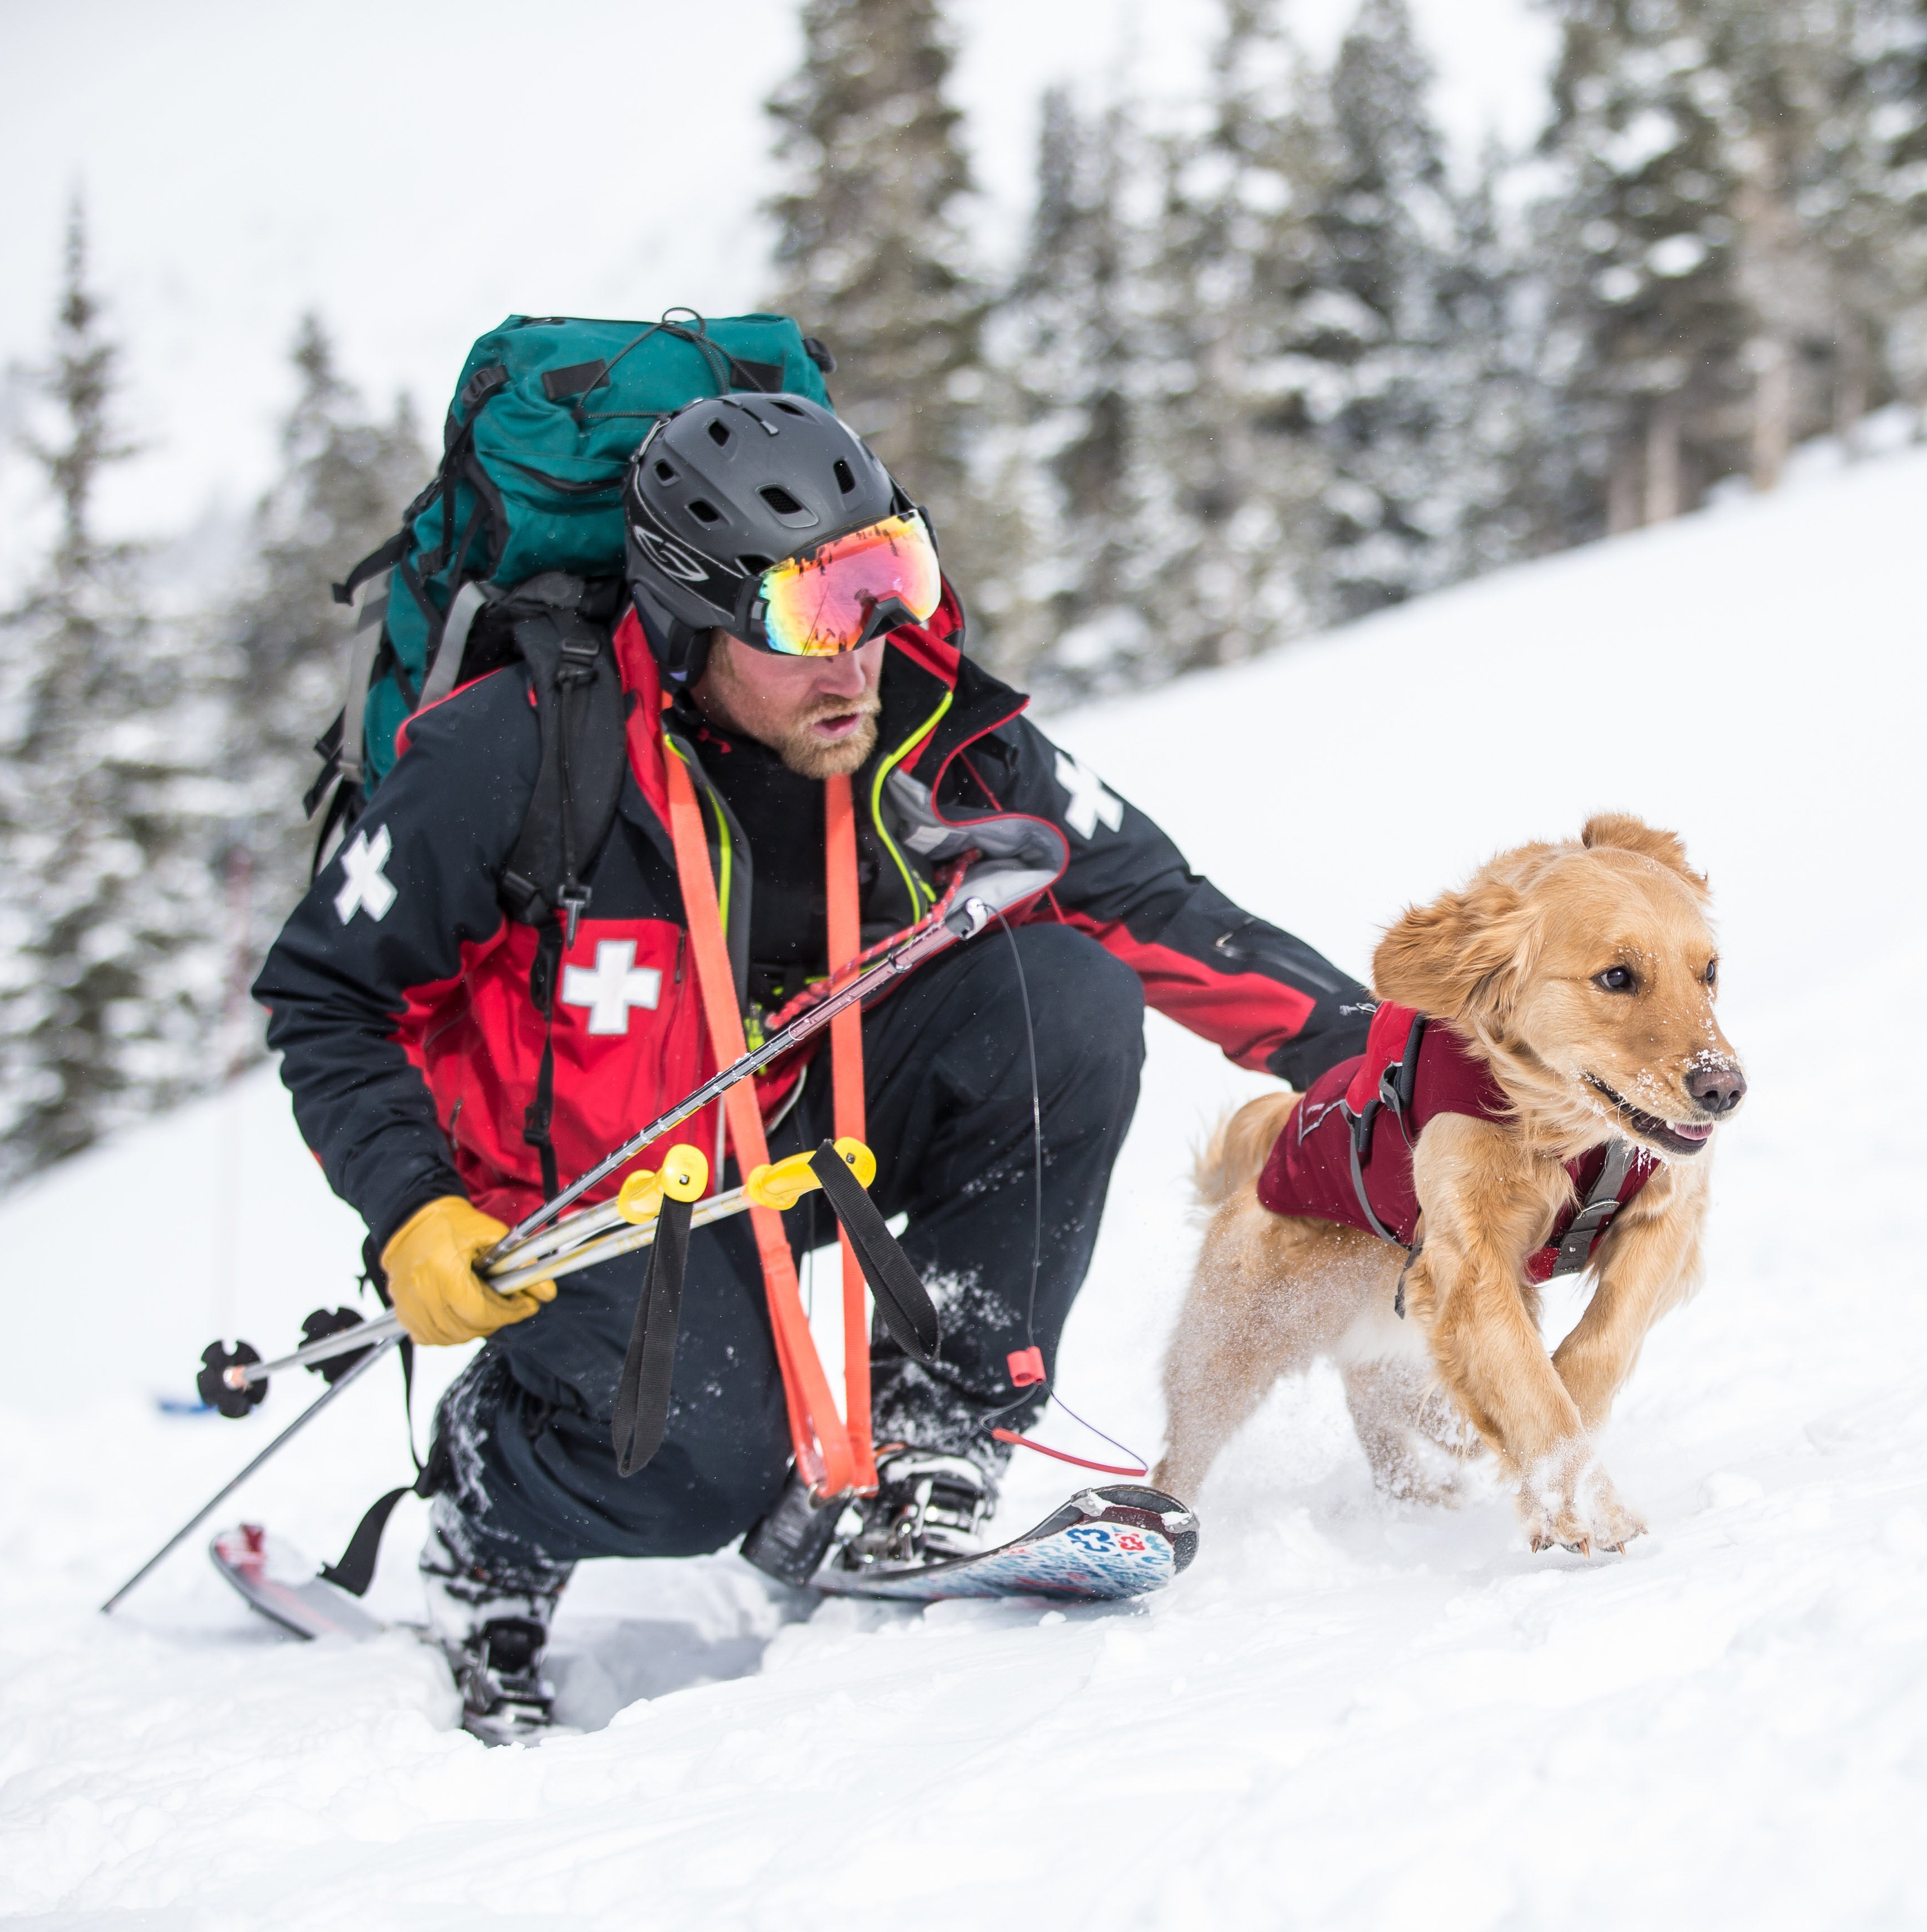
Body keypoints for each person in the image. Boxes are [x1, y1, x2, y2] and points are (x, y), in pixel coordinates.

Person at [254, 394, 1370, 1741]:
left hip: (797, 1129)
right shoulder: (516, 752)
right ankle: (494, 1506)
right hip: (584, 1192)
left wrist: (1410, 1071)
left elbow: (1164, 912)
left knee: (1065, 996)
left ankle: (923, 1451)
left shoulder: (930, 721)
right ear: (689, 615)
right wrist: (414, 1203)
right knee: (697, 1471)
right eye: (808, 615)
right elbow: (327, 994)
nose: (861, 653)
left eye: (885, 580)